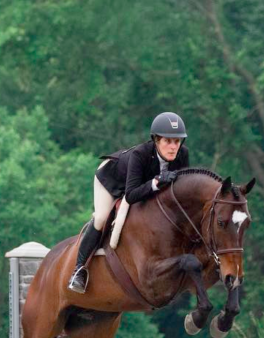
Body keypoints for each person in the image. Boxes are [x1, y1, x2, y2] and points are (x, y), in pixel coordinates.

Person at [67, 111, 190, 293]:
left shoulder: (182, 155)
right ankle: (79, 270)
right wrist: (157, 182)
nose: (173, 147)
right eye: (167, 141)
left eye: (177, 141)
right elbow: (131, 194)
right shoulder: (140, 154)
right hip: (111, 179)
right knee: (101, 217)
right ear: (156, 140)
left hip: (140, 185)